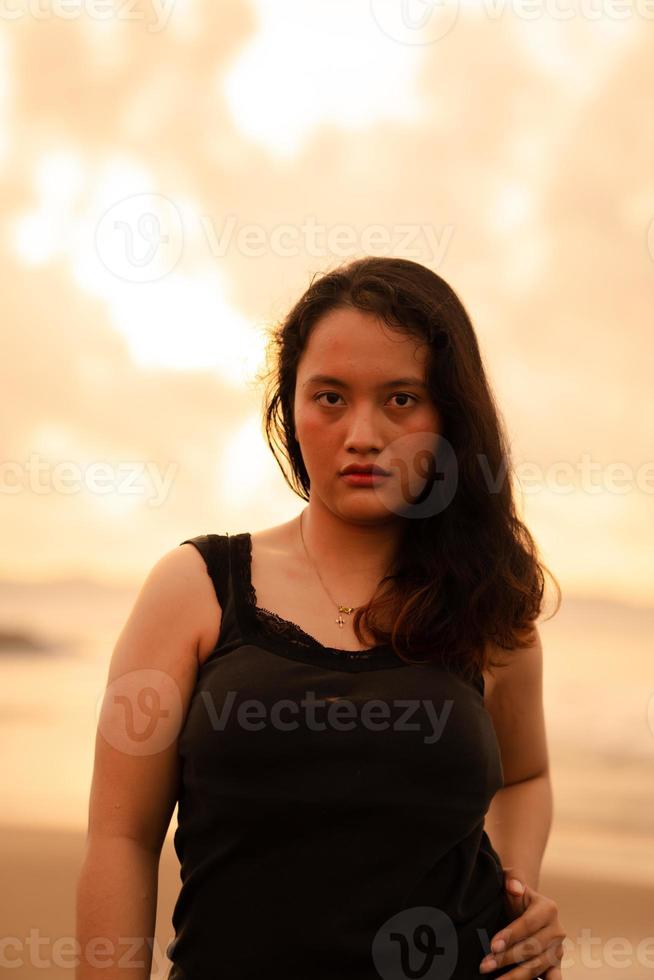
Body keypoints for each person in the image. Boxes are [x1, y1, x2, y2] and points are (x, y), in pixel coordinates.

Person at [76, 256, 567, 980]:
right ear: (291, 408)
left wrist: (517, 893)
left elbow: (525, 774)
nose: (362, 434)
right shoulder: (196, 590)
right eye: (330, 397)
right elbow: (121, 837)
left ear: (448, 420)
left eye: (401, 400)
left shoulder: (488, 607)